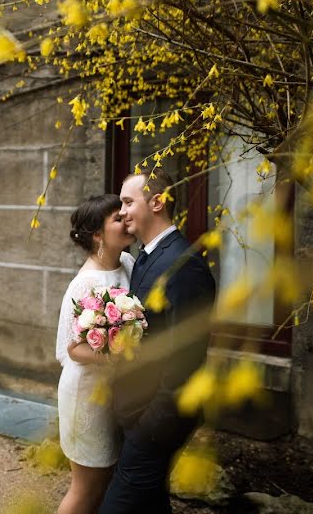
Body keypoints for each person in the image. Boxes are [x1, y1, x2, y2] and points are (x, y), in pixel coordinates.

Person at [99, 168, 216, 514]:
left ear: (157, 203)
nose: (120, 212)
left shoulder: (183, 265)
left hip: (156, 420)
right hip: (138, 412)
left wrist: (149, 425)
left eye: (127, 202)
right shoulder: (148, 257)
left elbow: (186, 358)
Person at [56, 194, 136, 514]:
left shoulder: (128, 263)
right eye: (118, 218)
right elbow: (73, 348)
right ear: (98, 235)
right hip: (86, 394)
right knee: (86, 488)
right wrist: (115, 357)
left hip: (115, 392)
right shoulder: (84, 284)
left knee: (107, 482)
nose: (126, 220)